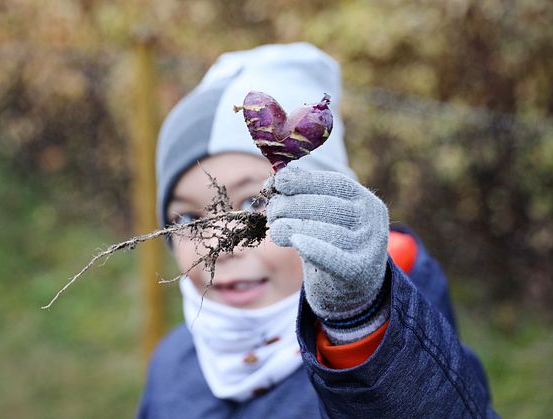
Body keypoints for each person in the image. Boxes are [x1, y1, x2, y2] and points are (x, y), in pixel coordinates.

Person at [138, 43, 496, 418]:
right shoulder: (170, 364)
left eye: (254, 203)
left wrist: (358, 325)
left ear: (329, 207)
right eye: (188, 219)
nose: (220, 245)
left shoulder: (392, 361)